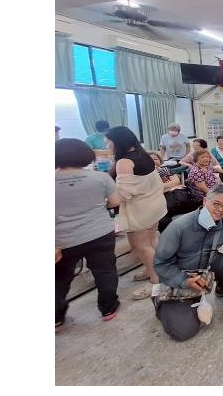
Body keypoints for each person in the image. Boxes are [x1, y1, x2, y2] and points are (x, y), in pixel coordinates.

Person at [153, 184, 223, 341]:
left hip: (208, 263)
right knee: (184, 331)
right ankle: (160, 301)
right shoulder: (179, 226)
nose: (220, 210)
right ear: (204, 201)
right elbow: (161, 263)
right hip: (180, 273)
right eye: (216, 204)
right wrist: (185, 281)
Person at [55, 139, 122, 331]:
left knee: (59, 278)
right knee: (105, 271)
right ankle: (108, 308)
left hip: (63, 239)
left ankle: (56, 317)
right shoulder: (100, 178)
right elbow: (115, 202)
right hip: (99, 232)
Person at [106, 126, 168, 300]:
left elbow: (123, 194)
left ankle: (155, 282)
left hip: (140, 209)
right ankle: (154, 270)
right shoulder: (144, 155)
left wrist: (107, 200)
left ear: (117, 142)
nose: (107, 145)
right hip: (154, 204)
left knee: (142, 245)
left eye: (108, 142)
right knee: (151, 240)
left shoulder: (124, 162)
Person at [149, 151, 198, 234]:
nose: (153, 161)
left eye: (155, 159)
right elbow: (151, 190)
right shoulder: (146, 174)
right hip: (162, 199)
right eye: (150, 159)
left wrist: (162, 187)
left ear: (160, 160)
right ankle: (168, 235)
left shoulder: (165, 170)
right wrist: (169, 187)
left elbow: (176, 181)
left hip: (177, 196)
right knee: (163, 218)